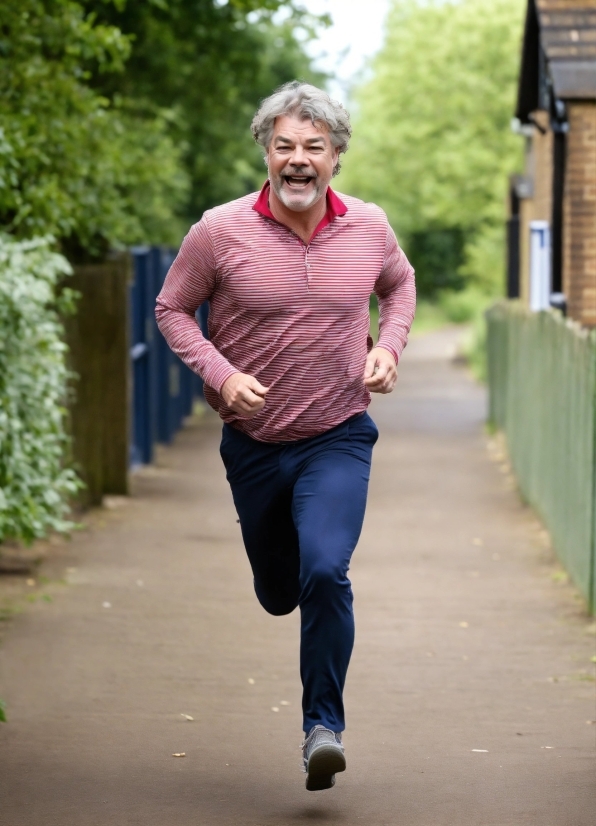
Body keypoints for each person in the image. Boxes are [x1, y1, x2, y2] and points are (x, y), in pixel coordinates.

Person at [155, 81, 416, 792]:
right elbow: (172, 308)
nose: (299, 160)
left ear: (336, 158)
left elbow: (400, 285)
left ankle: (322, 728)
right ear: (266, 153)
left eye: (314, 148)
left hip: (338, 432)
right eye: (285, 146)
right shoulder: (219, 230)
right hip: (254, 444)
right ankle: (279, 579)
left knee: (326, 571)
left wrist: (389, 347)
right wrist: (220, 370)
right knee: (280, 590)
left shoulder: (369, 227)